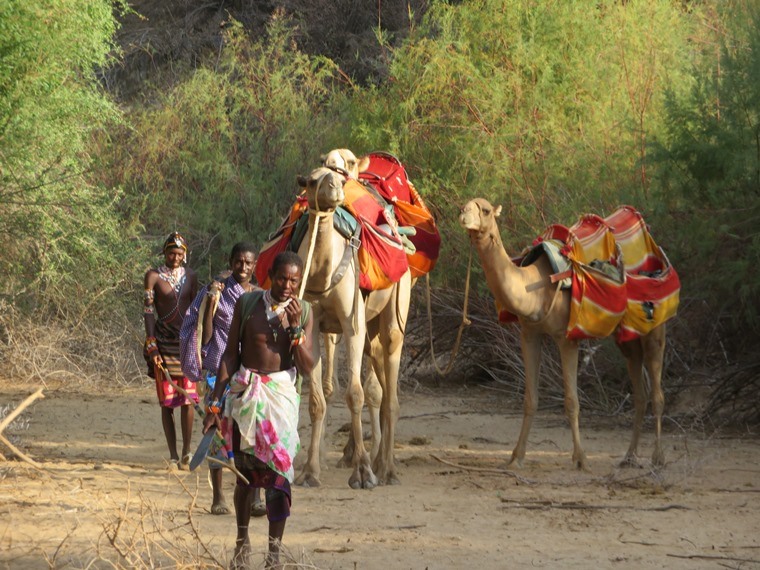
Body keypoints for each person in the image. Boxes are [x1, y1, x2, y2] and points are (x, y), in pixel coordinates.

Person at [202, 251, 315, 569]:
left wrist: (295, 330)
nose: (287, 285)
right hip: (245, 397)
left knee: (279, 478)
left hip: (280, 402)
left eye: (294, 280)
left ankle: (274, 552)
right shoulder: (248, 304)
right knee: (244, 477)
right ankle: (241, 540)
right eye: (282, 278)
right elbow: (229, 356)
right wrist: (215, 399)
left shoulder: (304, 311)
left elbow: (307, 367)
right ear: (271, 276)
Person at [179, 242, 267, 516]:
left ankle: (255, 495)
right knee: (218, 433)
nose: (243, 268)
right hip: (218, 371)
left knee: (253, 435)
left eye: (248, 263)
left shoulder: (261, 296)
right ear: (231, 262)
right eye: (238, 262)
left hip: (251, 376)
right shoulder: (216, 291)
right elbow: (202, 333)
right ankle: (218, 497)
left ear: (255, 266)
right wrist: (211, 303)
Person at [143, 231, 199, 470]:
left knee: (188, 399)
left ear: (184, 255)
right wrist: (151, 344)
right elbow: (148, 312)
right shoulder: (153, 277)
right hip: (163, 345)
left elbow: (197, 310)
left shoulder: (192, 276)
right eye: (171, 253)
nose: (175, 258)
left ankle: (187, 450)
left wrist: (200, 344)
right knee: (167, 402)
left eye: (179, 254)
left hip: (186, 345)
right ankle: (173, 454)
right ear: (164, 253)